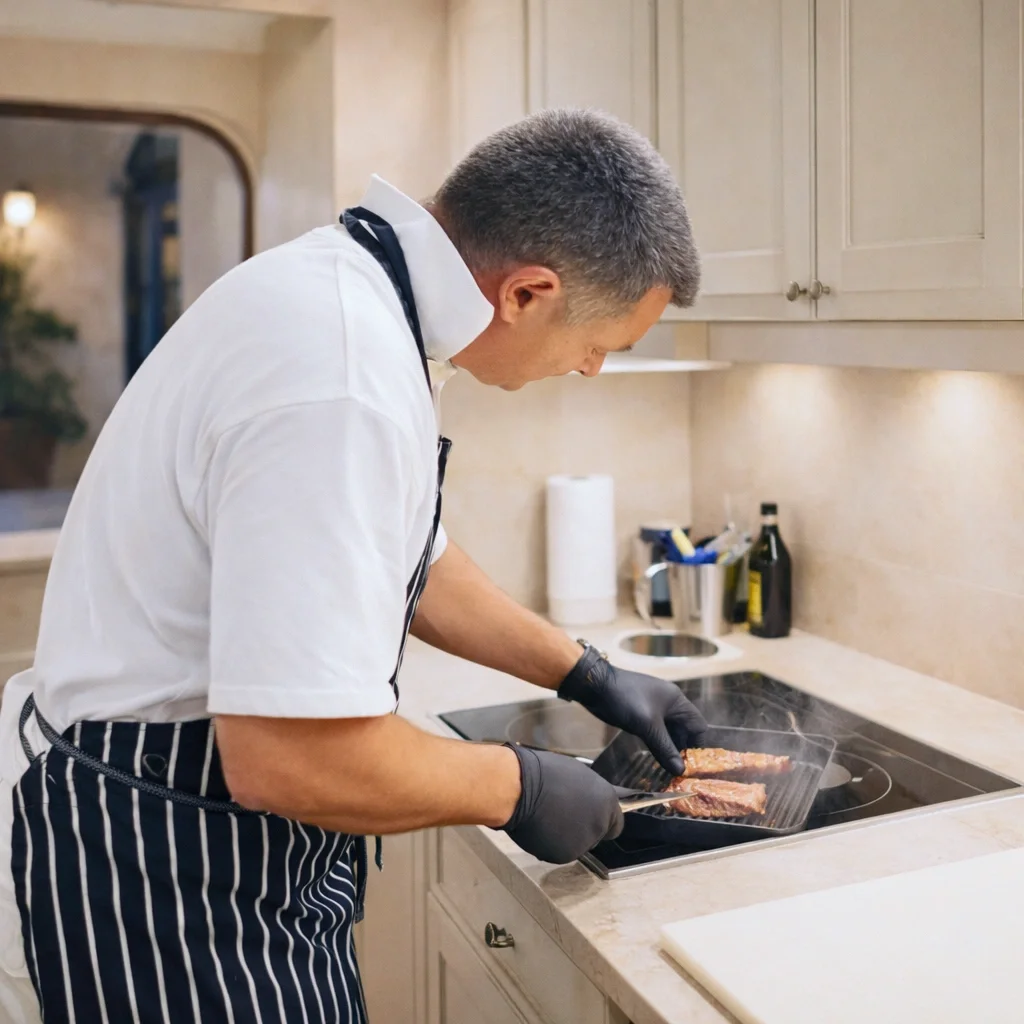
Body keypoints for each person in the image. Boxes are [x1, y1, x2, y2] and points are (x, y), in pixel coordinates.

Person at [0, 108, 703, 1023]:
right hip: (156, 866)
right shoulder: (340, 372)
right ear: (527, 293)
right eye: (601, 344)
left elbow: (416, 558)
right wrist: (517, 785)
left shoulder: (354, 300)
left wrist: (584, 672)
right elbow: (287, 757)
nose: (593, 369)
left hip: (207, 839)